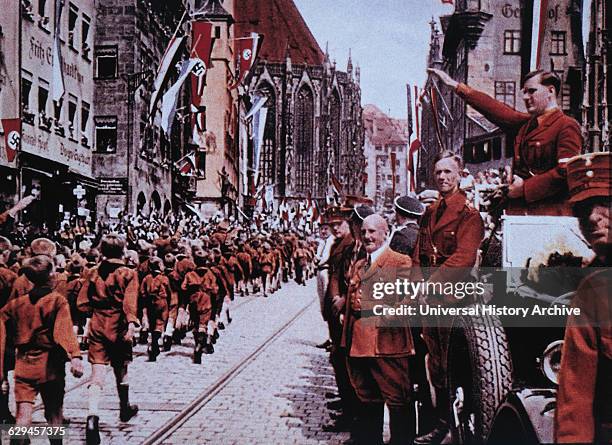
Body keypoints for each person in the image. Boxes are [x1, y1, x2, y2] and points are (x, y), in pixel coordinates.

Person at [428, 68, 582, 216]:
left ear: (551, 91)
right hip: (521, 213)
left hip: (550, 216)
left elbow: (566, 171)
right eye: (524, 92)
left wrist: (524, 189)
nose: (526, 97)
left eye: (532, 91)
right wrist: (456, 86)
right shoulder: (527, 125)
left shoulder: (566, 125)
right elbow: (495, 109)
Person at [412, 151, 484, 445]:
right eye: (438, 172)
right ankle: (443, 423)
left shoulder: (469, 215)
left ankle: (458, 428)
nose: (442, 177)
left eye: (448, 173)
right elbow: (418, 252)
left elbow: (464, 257)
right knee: (436, 365)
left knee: (454, 366)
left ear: (460, 175)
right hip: (429, 301)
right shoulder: (431, 211)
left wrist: (432, 286)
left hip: (452, 299)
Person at [555, 152, 611, 444]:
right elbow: (574, 405)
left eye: (606, 204)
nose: (592, 217)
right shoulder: (593, 292)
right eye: (582, 209)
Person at [343, 214, 415, 445]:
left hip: (387, 343)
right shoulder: (360, 264)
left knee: (398, 401)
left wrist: (369, 305)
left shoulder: (400, 262)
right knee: (367, 399)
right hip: (359, 344)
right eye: (364, 232)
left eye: (373, 232)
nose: (367, 236)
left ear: (386, 233)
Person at [0, 255, 83, 439]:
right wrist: (75, 356)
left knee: (23, 414)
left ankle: (17, 441)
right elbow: (64, 330)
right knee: (54, 414)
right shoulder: (57, 301)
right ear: (50, 276)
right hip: (50, 363)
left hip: (23, 363)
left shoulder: (15, 305)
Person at [77, 234, 140, 445]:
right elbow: (130, 303)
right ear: (123, 251)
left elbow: (82, 303)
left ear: (102, 251)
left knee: (97, 373)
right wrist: (131, 324)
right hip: (119, 325)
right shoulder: (128, 273)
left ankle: (92, 418)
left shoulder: (92, 272)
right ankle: (125, 407)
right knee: (121, 368)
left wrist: (92, 316)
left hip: (97, 324)